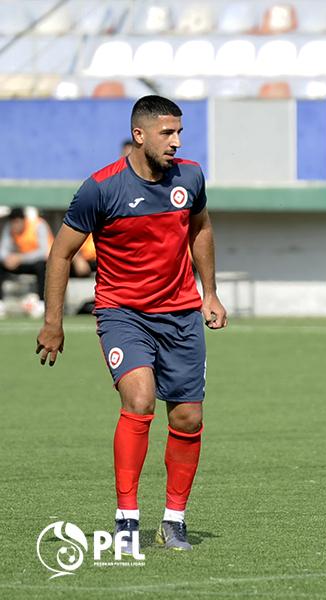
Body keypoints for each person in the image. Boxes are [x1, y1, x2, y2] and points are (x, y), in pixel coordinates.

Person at [35, 95, 228, 553]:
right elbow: (60, 253)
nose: (176, 142)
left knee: (188, 415)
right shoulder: (100, 188)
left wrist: (210, 292)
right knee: (138, 399)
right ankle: (126, 520)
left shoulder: (191, 177)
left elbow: (200, 228)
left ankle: (174, 522)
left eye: (179, 132)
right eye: (167, 133)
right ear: (139, 135)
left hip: (180, 314)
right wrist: (52, 322)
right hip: (123, 313)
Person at [0, 207, 53, 318]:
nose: (15, 225)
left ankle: (41, 303)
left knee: (42, 265)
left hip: (38, 261)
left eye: (17, 222)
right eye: (12, 222)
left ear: (24, 220)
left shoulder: (38, 225)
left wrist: (20, 258)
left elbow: (44, 252)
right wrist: (7, 258)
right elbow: (3, 250)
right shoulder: (9, 228)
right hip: (20, 262)